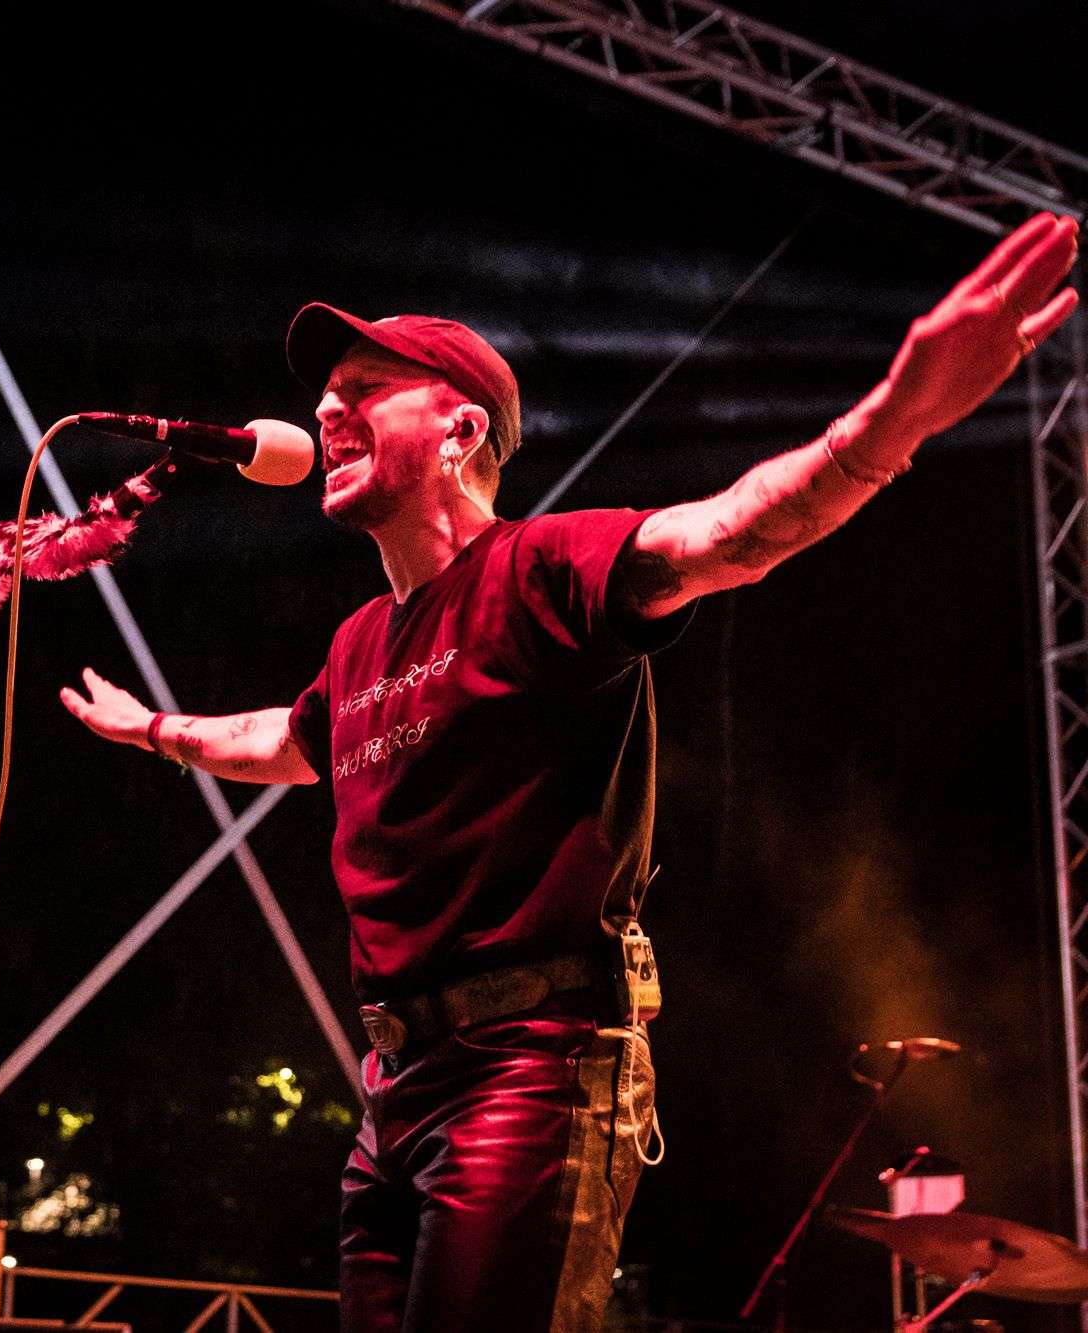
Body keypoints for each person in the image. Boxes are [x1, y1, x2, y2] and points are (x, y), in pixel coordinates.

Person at [60, 213, 1080, 1331]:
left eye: (362, 385)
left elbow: (734, 533)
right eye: (324, 393)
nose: (321, 411)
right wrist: (156, 729)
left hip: (528, 1067)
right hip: (394, 1089)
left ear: (456, 432)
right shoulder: (359, 643)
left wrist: (897, 417)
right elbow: (285, 742)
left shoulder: (538, 571)